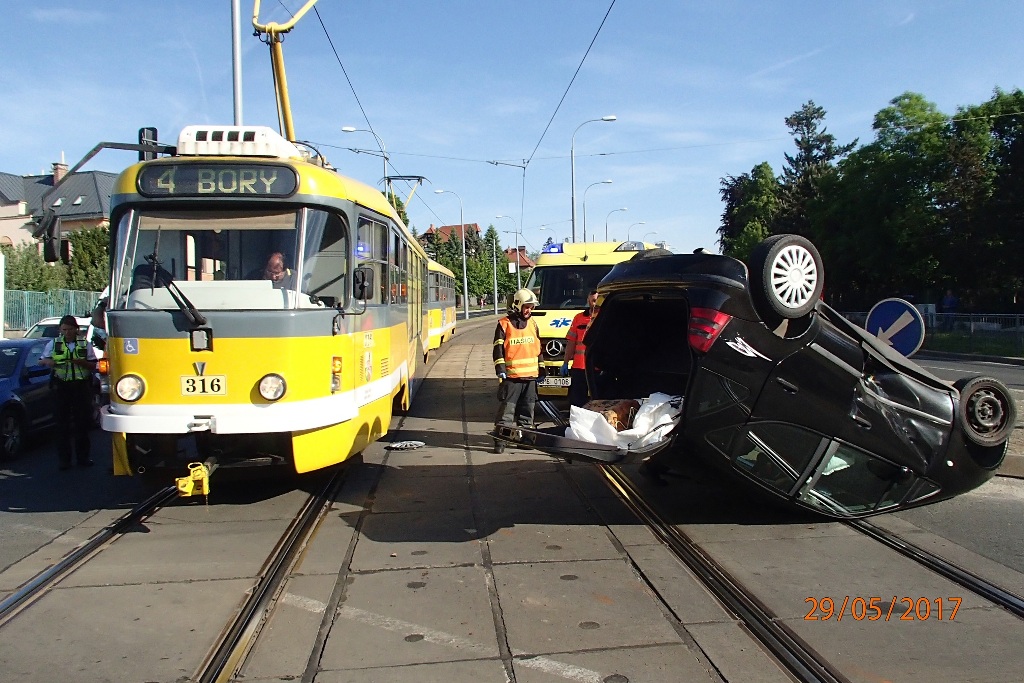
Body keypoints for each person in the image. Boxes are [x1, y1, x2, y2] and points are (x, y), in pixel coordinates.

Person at [492, 288, 545, 453]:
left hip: (530, 378)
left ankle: (525, 440)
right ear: (518, 305)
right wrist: (500, 368)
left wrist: (541, 368)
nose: (529, 310)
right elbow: (498, 349)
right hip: (512, 378)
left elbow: (538, 348)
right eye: (526, 306)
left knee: (527, 413)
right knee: (507, 413)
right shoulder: (504, 324)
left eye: (531, 307)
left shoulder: (533, 323)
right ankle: (501, 442)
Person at [41, 315, 97, 470]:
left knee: (82, 424)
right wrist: (49, 362)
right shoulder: (54, 344)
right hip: (61, 387)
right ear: (60, 330)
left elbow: (94, 365)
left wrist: (83, 363)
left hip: (81, 387)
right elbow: (41, 360)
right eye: (64, 329)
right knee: (62, 425)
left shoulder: (84, 344)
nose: (68, 332)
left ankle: (83, 458)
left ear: (76, 329)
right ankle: (64, 461)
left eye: (70, 329)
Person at [561, 289, 598, 407]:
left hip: (597, 367)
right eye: (592, 301)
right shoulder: (578, 318)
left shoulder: (603, 317)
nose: (594, 304)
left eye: (596, 301)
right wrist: (565, 362)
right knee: (577, 400)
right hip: (579, 367)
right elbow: (571, 343)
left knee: (598, 399)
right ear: (588, 300)